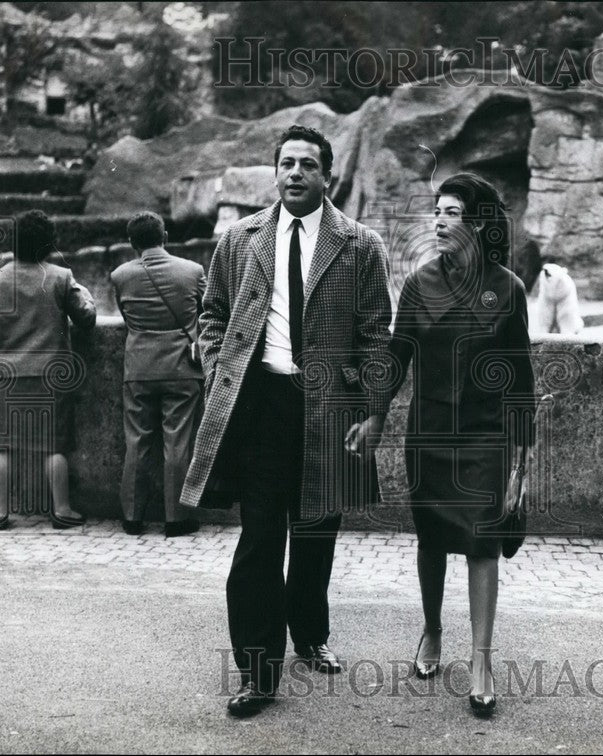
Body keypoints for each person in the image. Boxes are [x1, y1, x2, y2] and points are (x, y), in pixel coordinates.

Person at [178, 125, 392, 717]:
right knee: (260, 537)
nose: (295, 173)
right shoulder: (240, 238)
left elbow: (378, 333)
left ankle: (311, 636)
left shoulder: (361, 245)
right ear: (276, 173)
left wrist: (373, 411)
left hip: (329, 406)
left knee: (317, 531)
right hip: (259, 404)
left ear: (327, 177)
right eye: (287, 164)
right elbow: (212, 312)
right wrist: (219, 362)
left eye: (308, 165)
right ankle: (256, 669)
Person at [351, 173, 535, 717]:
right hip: (428, 433)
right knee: (431, 538)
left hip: (485, 437)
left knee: (482, 542)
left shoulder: (509, 289)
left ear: (477, 223)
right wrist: (376, 417)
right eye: (436, 210)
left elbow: (521, 381)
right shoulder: (418, 284)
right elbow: (396, 355)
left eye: (451, 211)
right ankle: (432, 630)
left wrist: (521, 462)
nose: (438, 220)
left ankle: (481, 660)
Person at [0, 209, 97, 530]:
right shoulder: (59, 276)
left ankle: (0, 511)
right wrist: (87, 296)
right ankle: (61, 509)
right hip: (49, 373)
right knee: (54, 445)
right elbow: (86, 318)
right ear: (48, 244)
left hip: (5, 373)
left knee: (3, 445)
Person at [110, 212, 207, 537]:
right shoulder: (192, 271)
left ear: (132, 242)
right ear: (164, 235)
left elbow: (125, 316)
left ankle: (132, 518)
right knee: (177, 443)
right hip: (182, 367)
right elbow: (208, 313)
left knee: (136, 442)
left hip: (139, 368)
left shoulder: (120, 275)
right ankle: (177, 519)